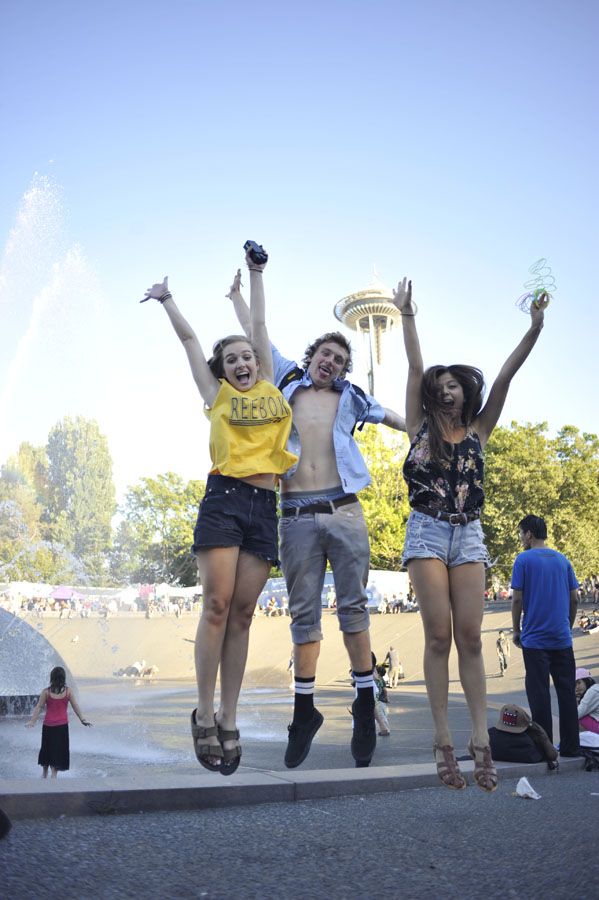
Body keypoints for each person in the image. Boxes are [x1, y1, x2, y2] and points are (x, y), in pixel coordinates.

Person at [228, 286, 405, 768]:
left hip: (344, 511)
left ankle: (364, 706)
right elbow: (257, 334)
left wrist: (425, 428)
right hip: (295, 515)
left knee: (353, 611)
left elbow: (391, 416)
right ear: (312, 357)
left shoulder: (352, 397)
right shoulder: (286, 378)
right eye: (326, 354)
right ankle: (304, 713)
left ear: (344, 371)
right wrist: (238, 295)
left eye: (340, 361)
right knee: (303, 617)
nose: (331, 363)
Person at [142, 251, 297, 775]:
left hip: (265, 505)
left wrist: (255, 274)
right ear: (223, 369)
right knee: (217, 606)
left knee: (244, 614)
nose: (242, 363)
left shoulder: (272, 385)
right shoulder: (217, 395)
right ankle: (204, 712)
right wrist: (167, 300)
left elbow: (259, 324)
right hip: (225, 500)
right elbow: (191, 341)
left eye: (247, 356)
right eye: (232, 359)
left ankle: (230, 717)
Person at [396, 275, 548, 792]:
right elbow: (414, 366)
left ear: (464, 391)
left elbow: (506, 375)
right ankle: (442, 738)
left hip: (469, 535)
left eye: (453, 385)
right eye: (439, 386)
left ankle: (481, 739)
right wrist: (407, 315)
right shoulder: (418, 425)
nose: (445, 390)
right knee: (439, 635)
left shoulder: (480, 431)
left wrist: (534, 328)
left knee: (470, 638)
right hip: (426, 531)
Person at [511, 514, 580, 757]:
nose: (521, 538)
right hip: (562, 639)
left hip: (535, 640)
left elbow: (517, 599)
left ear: (529, 534)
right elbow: (575, 599)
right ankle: (572, 747)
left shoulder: (523, 560)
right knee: (567, 693)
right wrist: (567, 626)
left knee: (539, 694)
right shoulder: (563, 560)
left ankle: (545, 748)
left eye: (521, 533)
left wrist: (516, 630)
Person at [25, 666, 91, 778]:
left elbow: (39, 707)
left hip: (48, 726)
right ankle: (54, 775)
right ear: (63, 678)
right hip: (62, 727)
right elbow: (75, 706)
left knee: (46, 748)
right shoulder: (68, 692)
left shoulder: (46, 692)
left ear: (52, 678)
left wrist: (33, 721)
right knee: (58, 750)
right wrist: (82, 719)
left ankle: (45, 773)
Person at [575, 668, 599, 734]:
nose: (577, 687)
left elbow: (576, 714)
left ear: (588, 680)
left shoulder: (593, 691)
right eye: (575, 685)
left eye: (579, 683)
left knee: (573, 716)